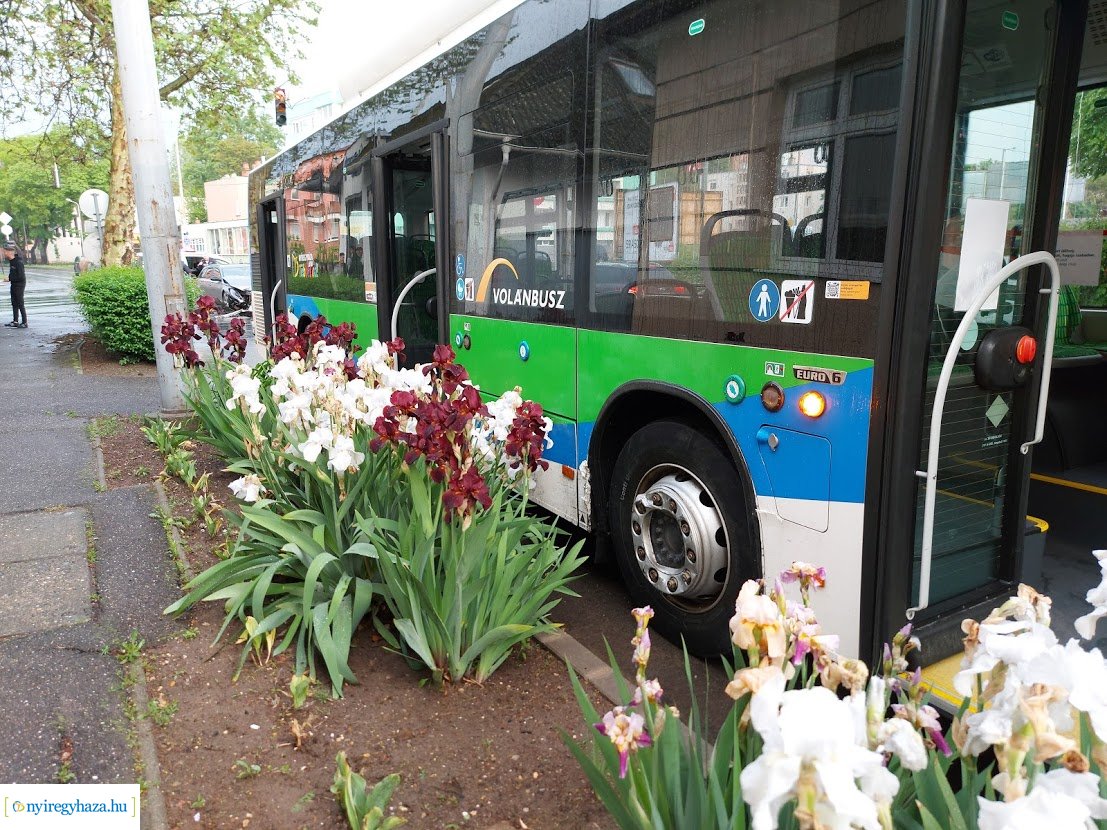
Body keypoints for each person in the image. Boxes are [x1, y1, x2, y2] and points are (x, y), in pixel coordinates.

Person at [2, 242, 27, 328]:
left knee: (20, 303)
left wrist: (10, 279)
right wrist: (9, 278)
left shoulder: (18, 262)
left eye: (6, 251)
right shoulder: (11, 261)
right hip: (13, 284)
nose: (4, 253)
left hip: (19, 285)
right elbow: (12, 273)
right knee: (14, 302)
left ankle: (24, 322)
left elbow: (21, 276)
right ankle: (15, 321)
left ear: (10, 252)